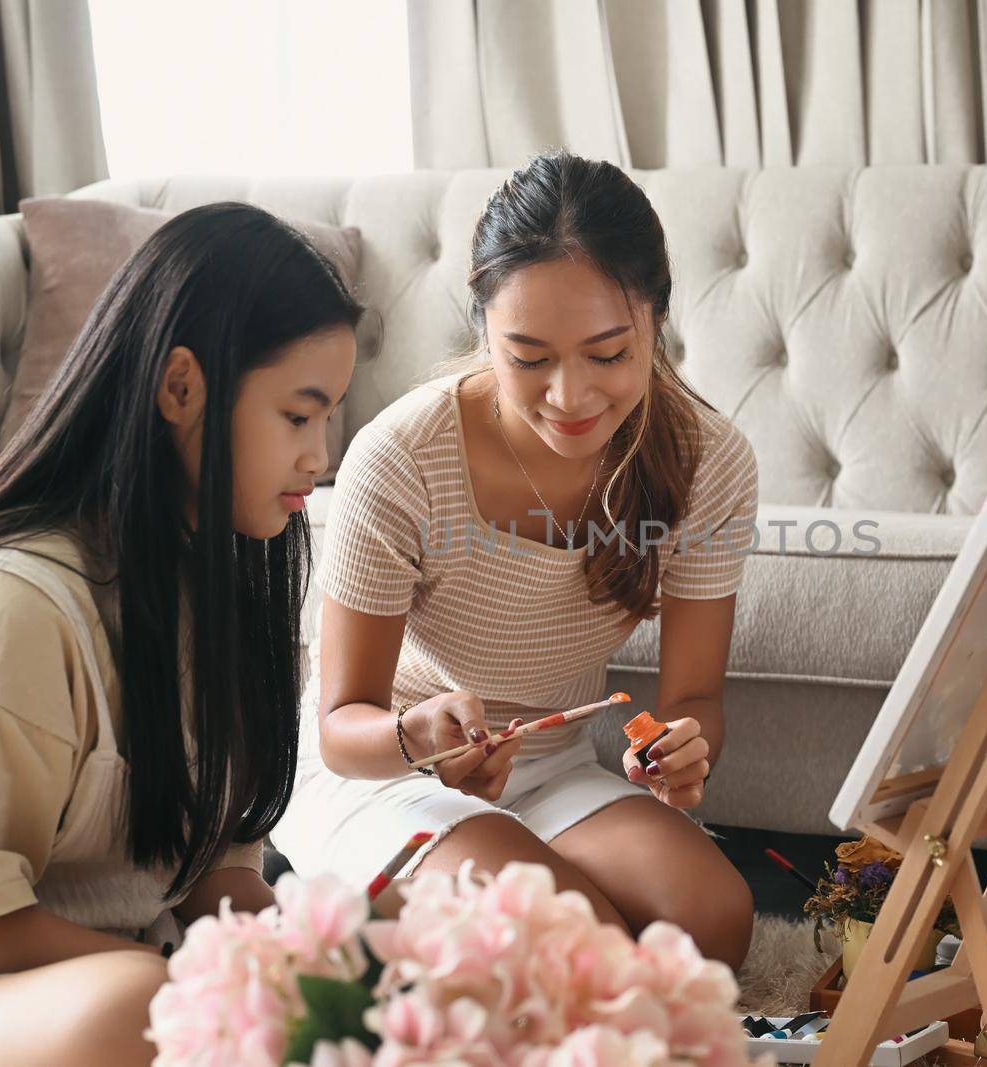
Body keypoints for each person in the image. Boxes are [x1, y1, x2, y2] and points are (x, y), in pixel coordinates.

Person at [0, 203, 360, 1067]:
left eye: (329, 419)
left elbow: (216, 871)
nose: (320, 455)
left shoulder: (220, 593)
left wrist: (321, 973)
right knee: (153, 1009)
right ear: (180, 387)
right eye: (298, 416)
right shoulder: (4, 609)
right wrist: (192, 984)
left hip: (115, 969)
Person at [273, 151, 759, 969]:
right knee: (577, 951)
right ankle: (383, 913)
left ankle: (452, 920)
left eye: (608, 354)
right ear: (483, 332)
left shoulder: (708, 460)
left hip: (549, 765)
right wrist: (421, 735)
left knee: (711, 925)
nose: (570, 397)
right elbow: (339, 727)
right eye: (528, 357)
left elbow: (695, 697)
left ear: (658, 321)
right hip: (387, 771)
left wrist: (683, 747)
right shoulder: (401, 456)